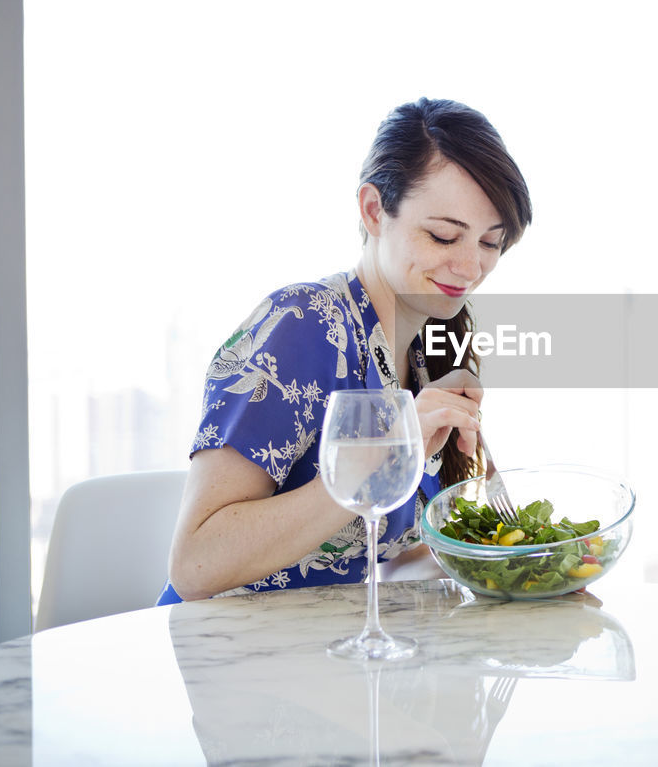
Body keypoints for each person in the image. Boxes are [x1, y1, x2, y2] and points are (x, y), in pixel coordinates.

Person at [158, 98, 532, 603]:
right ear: (374, 210)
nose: (470, 268)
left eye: (491, 243)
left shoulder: (433, 345)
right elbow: (196, 564)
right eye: (444, 236)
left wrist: (523, 563)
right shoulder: (303, 326)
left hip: (334, 657)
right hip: (227, 653)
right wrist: (387, 455)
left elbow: (386, 554)